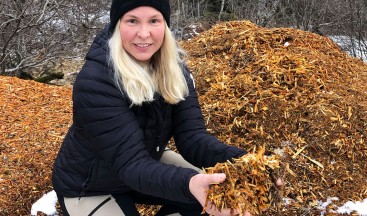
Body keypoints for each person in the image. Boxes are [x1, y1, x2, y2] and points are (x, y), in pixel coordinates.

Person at [52, 0, 252, 215]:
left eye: (154, 21)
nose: (144, 34)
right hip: (91, 184)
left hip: (144, 160)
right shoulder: (96, 80)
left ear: (164, 25)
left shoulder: (175, 70)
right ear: (116, 26)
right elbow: (131, 165)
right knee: (192, 185)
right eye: (132, 21)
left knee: (209, 193)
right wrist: (188, 183)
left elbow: (193, 139)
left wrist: (244, 162)